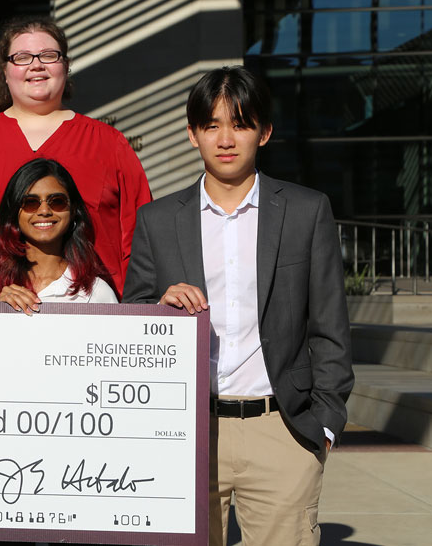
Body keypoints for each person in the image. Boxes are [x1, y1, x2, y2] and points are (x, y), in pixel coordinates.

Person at [122, 66, 353, 546]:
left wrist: (324, 424)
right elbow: (132, 322)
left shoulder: (307, 211)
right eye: (211, 125)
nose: (226, 139)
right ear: (192, 134)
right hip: (184, 433)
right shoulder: (158, 220)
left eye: (241, 123)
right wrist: (160, 308)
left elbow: (330, 326)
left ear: (264, 132)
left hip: (282, 432)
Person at [0, 16, 151, 295]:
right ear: (4, 71)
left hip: (88, 318)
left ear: (65, 66)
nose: (36, 64)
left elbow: (141, 245)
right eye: (22, 57)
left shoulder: (109, 144)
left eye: (49, 56)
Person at [0, 158, 116, 310]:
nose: (44, 211)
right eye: (31, 203)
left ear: (73, 210)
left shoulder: (96, 293)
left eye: (57, 201)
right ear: (14, 211)